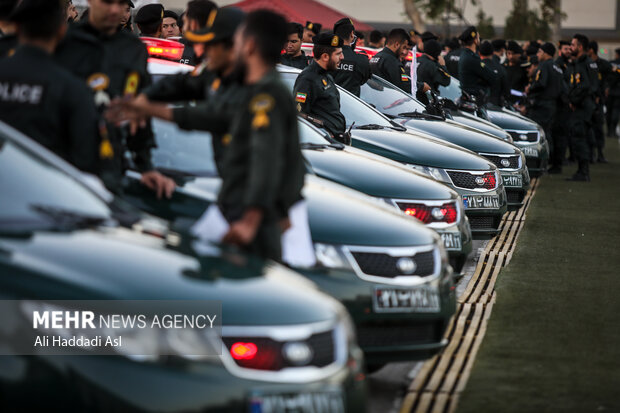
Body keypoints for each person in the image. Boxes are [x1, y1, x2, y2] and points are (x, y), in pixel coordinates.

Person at [55, 0, 174, 198]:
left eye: (121, 4)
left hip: (110, 166)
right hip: (63, 164)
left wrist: (145, 166)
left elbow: (139, 111)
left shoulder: (133, 49)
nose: (115, 10)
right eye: (108, 2)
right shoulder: (64, 41)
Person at [0, 0, 99, 174]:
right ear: (62, 31)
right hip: (45, 185)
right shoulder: (72, 89)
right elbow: (85, 158)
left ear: (16, 28)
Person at [293, 32, 348, 143]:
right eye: (338, 54)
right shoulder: (307, 79)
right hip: (322, 143)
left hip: (334, 141)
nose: (342, 57)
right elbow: (299, 115)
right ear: (325, 56)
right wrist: (324, 133)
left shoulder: (326, 76)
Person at [523, 43, 563, 157]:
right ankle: (553, 159)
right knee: (548, 132)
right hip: (552, 104)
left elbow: (541, 83)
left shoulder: (545, 65)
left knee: (541, 133)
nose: (537, 54)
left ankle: (545, 157)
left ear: (545, 53)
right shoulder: (557, 67)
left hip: (542, 104)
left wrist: (530, 88)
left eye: (539, 52)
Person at [565, 33, 595, 181]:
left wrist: (573, 101)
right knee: (579, 137)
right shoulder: (578, 63)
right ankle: (582, 170)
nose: (570, 47)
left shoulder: (584, 63)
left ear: (580, 47)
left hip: (583, 107)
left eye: (573, 44)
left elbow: (585, 86)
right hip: (582, 105)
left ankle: (583, 172)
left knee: (579, 138)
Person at [370, 28, 429, 94]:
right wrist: (422, 86)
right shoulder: (391, 60)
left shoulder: (376, 57)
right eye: (403, 47)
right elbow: (404, 85)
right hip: (387, 98)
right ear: (396, 44)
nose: (404, 52)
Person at [549, 40, 572, 173]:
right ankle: (557, 163)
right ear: (560, 50)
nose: (568, 51)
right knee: (558, 135)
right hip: (560, 105)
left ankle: (559, 162)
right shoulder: (558, 65)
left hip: (566, 105)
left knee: (562, 135)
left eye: (569, 48)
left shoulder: (569, 64)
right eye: (565, 49)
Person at [332, 17, 370, 97]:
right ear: (352, 34)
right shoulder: (361, 59)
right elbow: (364, 80)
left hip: (328, 106)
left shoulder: (326, 58)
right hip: (351, 107)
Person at [457, 26, 496, 103]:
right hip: (474, 100)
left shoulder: (465, 54)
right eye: (478, 37)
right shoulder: (472, 58)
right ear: (475, 40)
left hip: (469, 98)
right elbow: (492, 77)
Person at [586, 40, 610, 162]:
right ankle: (591, 153)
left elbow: (610, 77)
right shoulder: (586, 63)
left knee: (598, 128)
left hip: (599, 100)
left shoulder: (604, 65)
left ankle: (600, 153)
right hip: (588, 100)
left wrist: (607, 88)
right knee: (588, 128)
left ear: (591, 50)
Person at [178, 0, 217, 66]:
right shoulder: (218, 52)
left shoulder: (181, 51)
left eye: (185, 22)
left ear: (193, 24)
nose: (183, 29)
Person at [416, 38, 450, 104]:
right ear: (437, 53)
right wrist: (443, 66)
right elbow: (446, 81)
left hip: (411, 101)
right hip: (426, 103)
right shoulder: (432, 66)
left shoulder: (413, 61)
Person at [480, 40, 509, 106]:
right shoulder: (500, 68)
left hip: (479, 104)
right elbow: (506, 91)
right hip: (495, 105)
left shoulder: (477, 66)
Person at [607, 47, 620, 138]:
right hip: (618, 91)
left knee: (609, 111)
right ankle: (613, 130)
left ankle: (609, 131)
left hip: (610, 90)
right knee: (616, 110)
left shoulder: (611, 63)